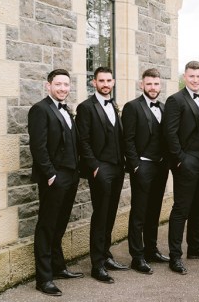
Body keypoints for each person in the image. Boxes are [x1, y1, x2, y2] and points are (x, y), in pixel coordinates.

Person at [28, 69, 83, 296]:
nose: (63, 88)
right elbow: (38, 147)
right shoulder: (40, 109)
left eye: (66, 85)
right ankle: (44, 278)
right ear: (48, 86)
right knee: (47, 226)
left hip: (70, 176)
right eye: (58, 84)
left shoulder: (66, 110)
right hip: (54, 178)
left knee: (60, 224)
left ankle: (58, 267)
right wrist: (50, 174)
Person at [162, 61, 199, 275]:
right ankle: (175, 256)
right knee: (181, 209)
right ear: (185, 76)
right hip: (186, 161)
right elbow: (170, 134)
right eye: (192, 76)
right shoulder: (175, 100)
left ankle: (195, 247)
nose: (195, 80)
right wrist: (181, 159)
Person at [76, 67, 127, 284]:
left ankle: (106, 255)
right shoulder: (86, 107)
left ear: (113, 82)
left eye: (108, 80)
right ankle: (97, 265)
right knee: (101, 214)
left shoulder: (114, 105)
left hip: (117, 167)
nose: (105, 84)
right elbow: (82, 140)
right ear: (93, 83)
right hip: (101, 168)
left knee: (111, 213)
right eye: (101, 80)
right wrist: (94, 166)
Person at [122, 68, 170, 275]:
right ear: (142, 85)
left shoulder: (164, 107)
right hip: (142, 165)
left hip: (161, 166)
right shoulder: (132, 107)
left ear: (160, 85)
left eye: (156, 84)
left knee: (155, 210)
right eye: (149, 84)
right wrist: (135, 165)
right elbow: (128, 140)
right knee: (139, 212)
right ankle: (137, 256)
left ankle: (151, 250)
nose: (153, 88)